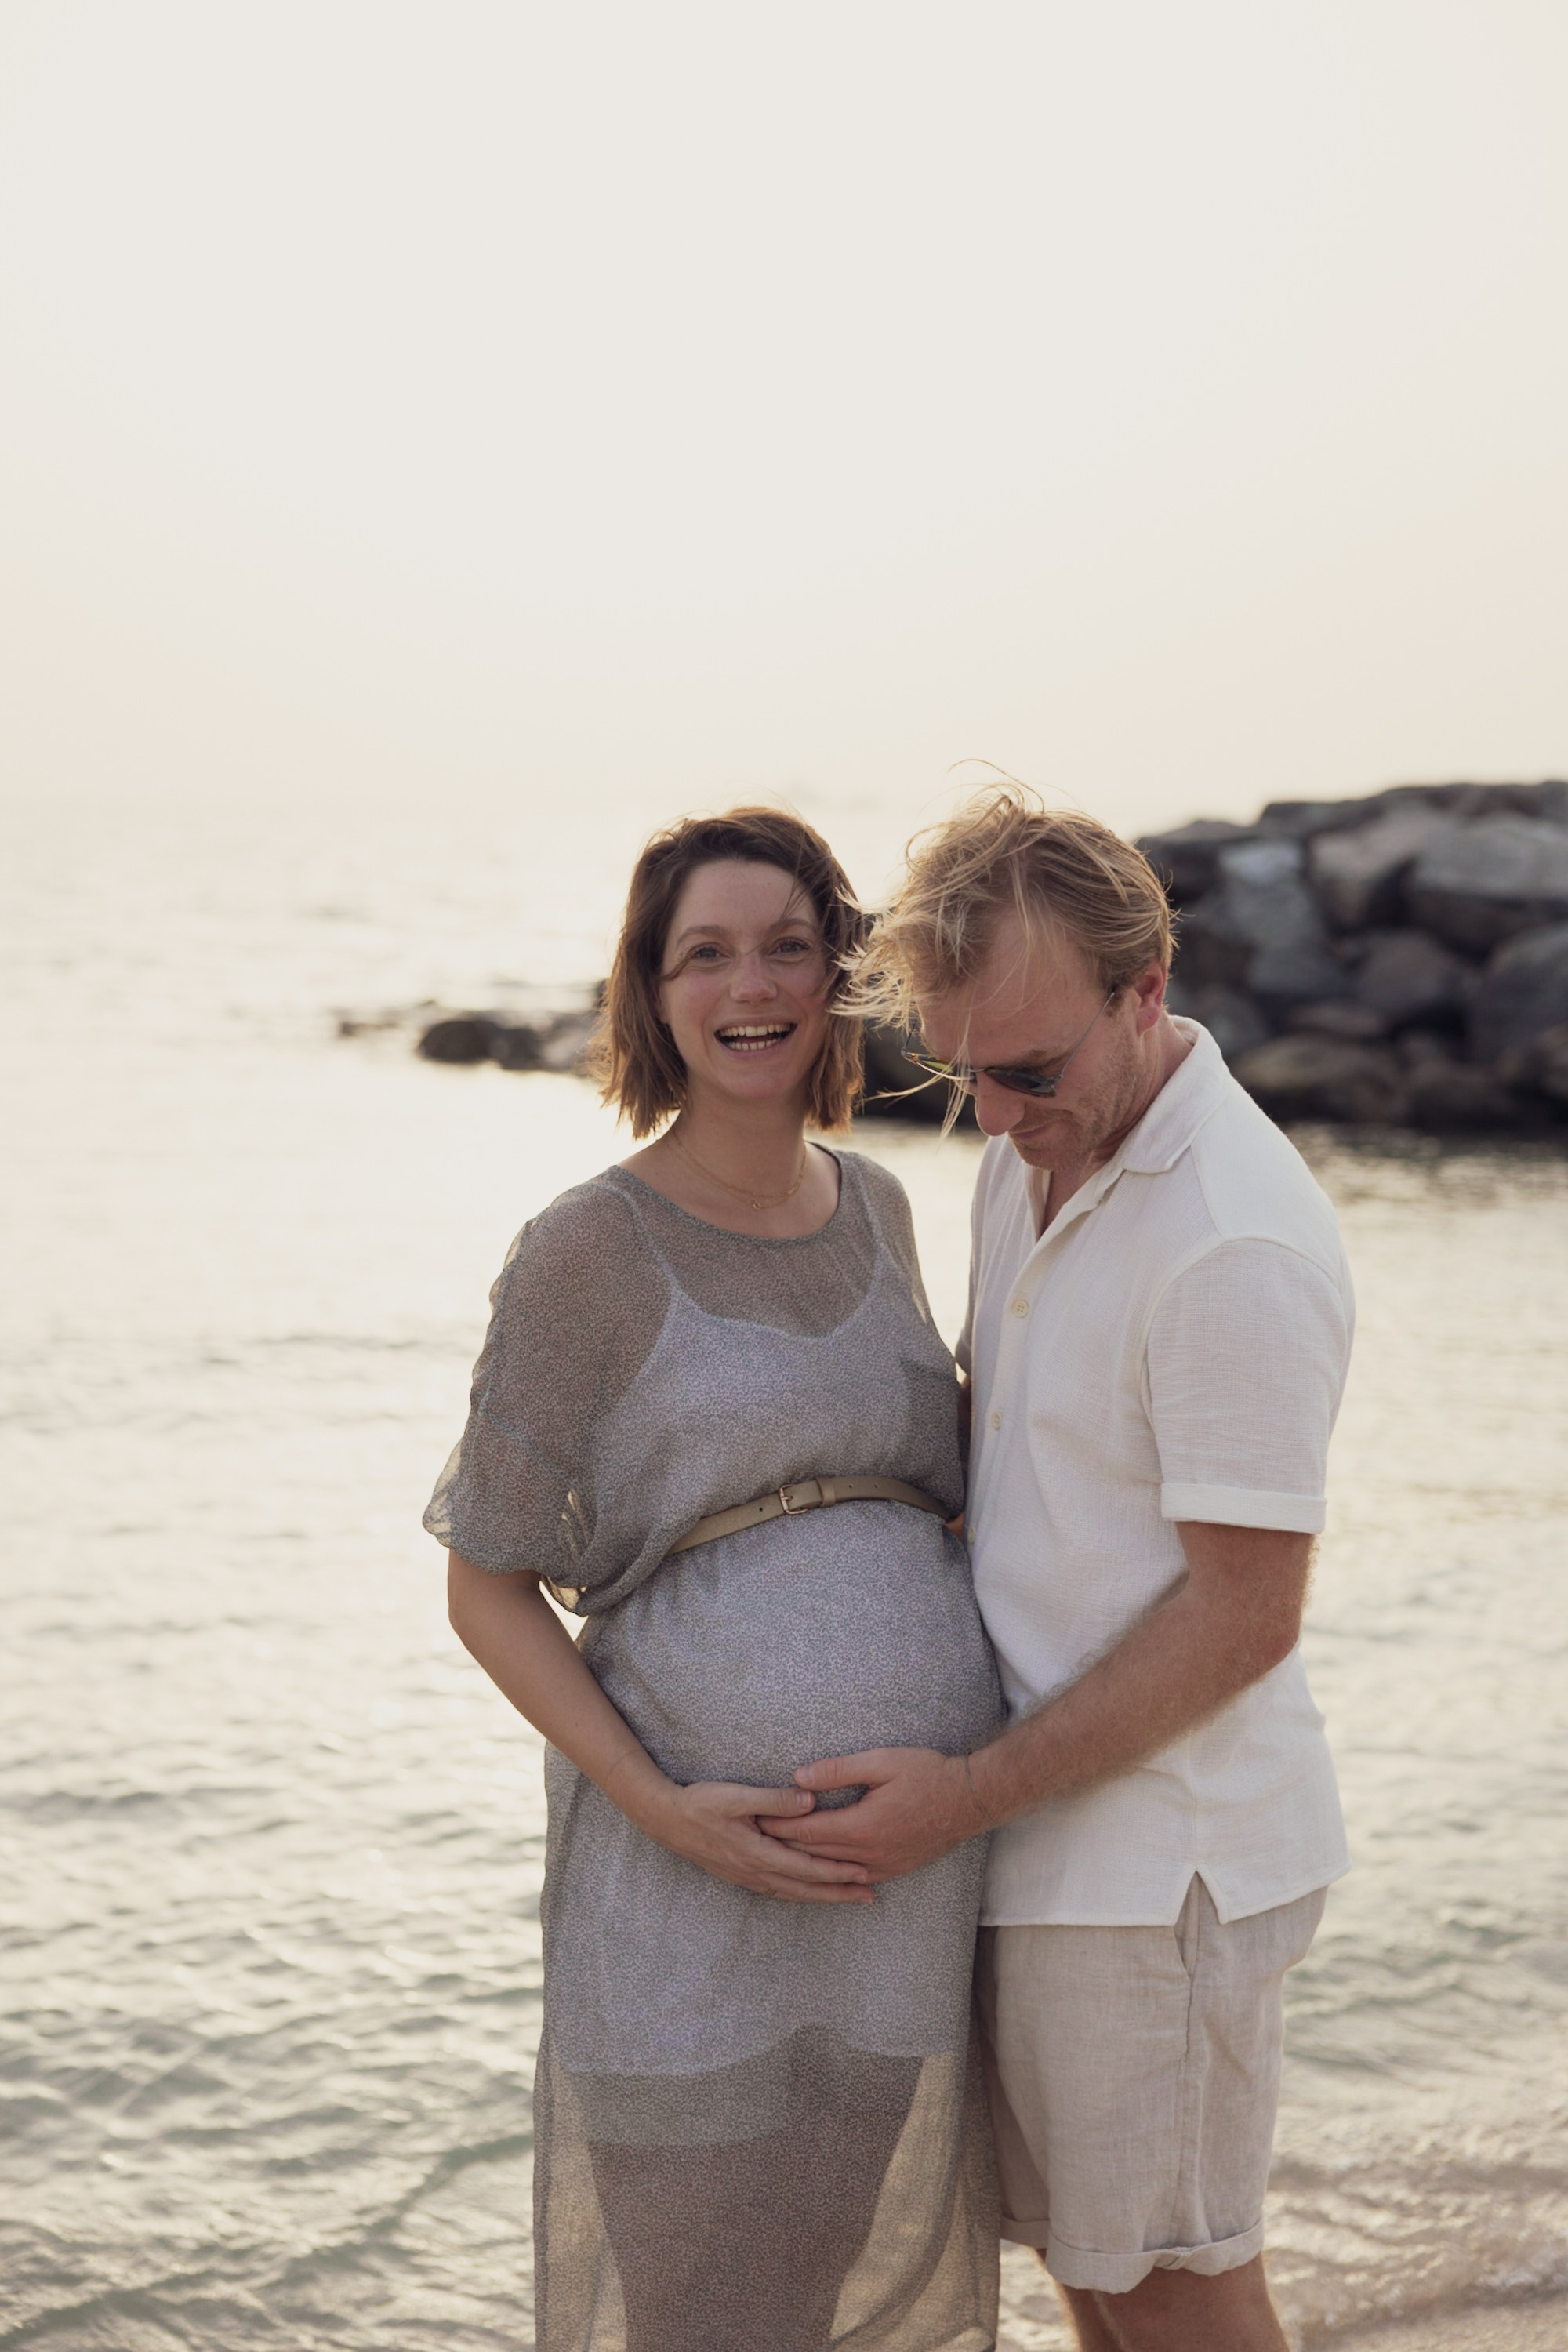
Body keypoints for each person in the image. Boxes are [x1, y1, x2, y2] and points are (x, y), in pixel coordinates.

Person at [764, 786, 1354, 2352]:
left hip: (1161, 1871)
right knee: (1100, 2286)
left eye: (1031, 1069)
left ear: (1144, 990)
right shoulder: (1025, 1157)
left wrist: (958, 1797)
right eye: (961, 1070)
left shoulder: (1230, 1241)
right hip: (1047, 1847)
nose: (996, 1110)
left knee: (1175, 2299)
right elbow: (1016, 1483)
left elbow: (1245, 1619)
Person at [424, 808, 1003, 2352]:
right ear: (653, 991)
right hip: (682, 1881)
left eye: (787, 947)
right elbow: (487, 1587)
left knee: (803, 2303)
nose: (750, 985)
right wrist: (662, 1805)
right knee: (692, 2318)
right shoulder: (585, 1249)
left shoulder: (882, 1209)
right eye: (705, 954)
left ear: (838, 978)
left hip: (891, 1888)